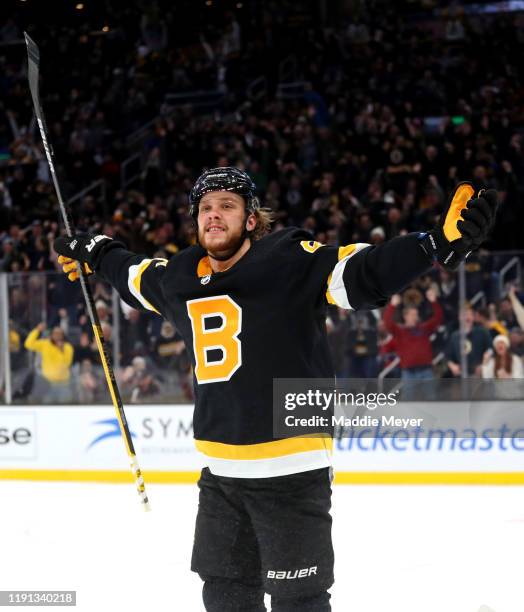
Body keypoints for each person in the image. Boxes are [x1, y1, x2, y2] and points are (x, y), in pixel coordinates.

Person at [53, 171, 497, 612]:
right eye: (205, 208)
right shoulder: (182, 276)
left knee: (298, 603)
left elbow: (363, 272)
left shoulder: (289, 260)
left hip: (291, 472)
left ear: (250, 219)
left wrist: (433, 244)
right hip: (220, 478)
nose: (213, 215)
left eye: (226, 205)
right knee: (225, 598)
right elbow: (135, 277)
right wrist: (97, 251)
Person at [383, 288, 442, 381]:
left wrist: (434, 302)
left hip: (426, 370)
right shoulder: (400, 331)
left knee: (430, 396)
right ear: (405, 316)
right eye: (413, 314)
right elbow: (388, 323)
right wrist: (392, 305)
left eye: (416, 314)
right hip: (408, 372)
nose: (415, 317)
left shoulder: (424, 328)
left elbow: (437, 319)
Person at [24, 323, 74, 403]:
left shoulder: (67, 347)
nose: (57, 335)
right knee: (47, 406)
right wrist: (37, 330)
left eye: (59, 333)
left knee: (65, 407)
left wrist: (61, 350)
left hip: (63, 384)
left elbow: (67, 363)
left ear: (63, 335)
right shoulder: (45, 344)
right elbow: (28, 344)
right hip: (47, 384)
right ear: (51, 335)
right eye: (55, 333)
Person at [446, 305, 493, 377]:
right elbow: (448, 356)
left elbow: (491, 349)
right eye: (464, 315)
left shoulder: (482, 332)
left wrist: (484, 364)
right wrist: (453, 366)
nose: (467, 317)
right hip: (462, 378)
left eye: (469, 315)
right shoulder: (454, 336)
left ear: (473, 318)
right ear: (459, 318)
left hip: (481, 376)